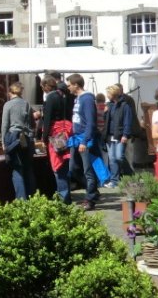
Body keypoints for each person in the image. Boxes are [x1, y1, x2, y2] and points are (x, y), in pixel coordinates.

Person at [66, 73, 101, 210]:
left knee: (88, 169)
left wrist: (85, 141)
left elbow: (91, 122)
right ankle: (92, 189)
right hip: (76, 138)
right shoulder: (78, 99)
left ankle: (90, 198)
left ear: (76, 85)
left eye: (69, 85)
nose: (68, 88)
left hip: (84, 139)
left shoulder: (86, 99)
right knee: (73, 168)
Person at [38, 74, 74, 204]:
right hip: (65, 131)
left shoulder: (51, 97)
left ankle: (63, 198)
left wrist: (44, 137)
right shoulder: (65, 95)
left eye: (42, 87)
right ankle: (66, 196)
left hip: (55, 133)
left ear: (46, 86)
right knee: (64, 165)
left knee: (58, 167)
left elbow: (46, 120)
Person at [0, 82, 36, 200]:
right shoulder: (26, 104)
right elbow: (31, 123)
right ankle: (32, 197)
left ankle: (21, 200)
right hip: (26, 137)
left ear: (10, 92)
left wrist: (3, 142)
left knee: (17, 169)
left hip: (14, 137)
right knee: (28, 168)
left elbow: (5, 125)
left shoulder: (8, 105)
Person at [103, 85, 135, 188]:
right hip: (109, 135)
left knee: (118, 157)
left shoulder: (124, 106)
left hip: (120, 135)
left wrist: (125, 134)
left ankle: (128, 174)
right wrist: (105, 112)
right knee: (112, 159)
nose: (107, 95)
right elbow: (107, 120)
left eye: (108, 93)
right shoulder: (110, 105)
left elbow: (127, 121)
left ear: (113, 94)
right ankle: (114, 181)